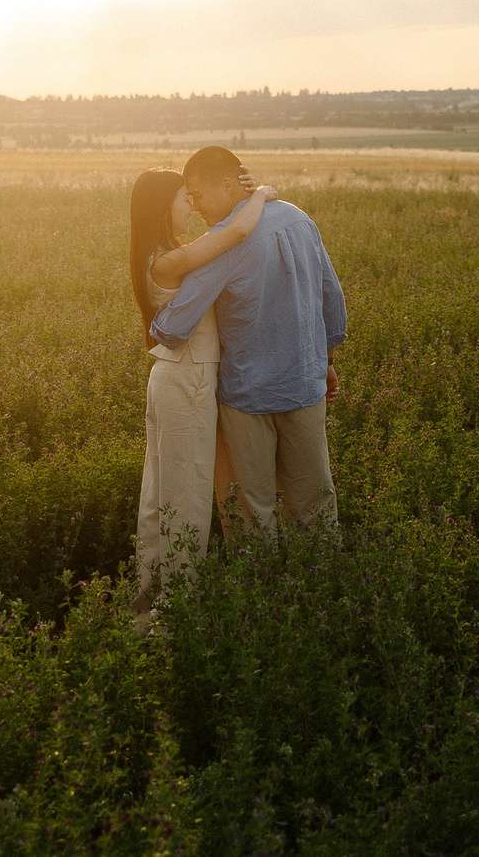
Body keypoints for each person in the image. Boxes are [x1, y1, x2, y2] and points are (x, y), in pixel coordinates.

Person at [149, 145, 346, 534]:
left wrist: (155, 293)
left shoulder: (224, 242)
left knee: (251, 511)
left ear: (227, 185)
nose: (196, 206)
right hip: (306, 386)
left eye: (198, 195)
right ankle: (321, 572)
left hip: (247, 398)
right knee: (315, 504)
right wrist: (327, 362)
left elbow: (172, 328)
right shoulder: (299, 218)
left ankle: (258, 574)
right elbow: (332, 298)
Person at [126, 165, 275, 613]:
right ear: (162, 207)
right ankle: (177, 602)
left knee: (160, 491)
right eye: (183, 199)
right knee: (186, 490)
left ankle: (150, 590)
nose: (190, 207)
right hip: (186, 379)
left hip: (172, 376)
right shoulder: (169, 261)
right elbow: (237, 231)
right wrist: (261, 193)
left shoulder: (161, 254)